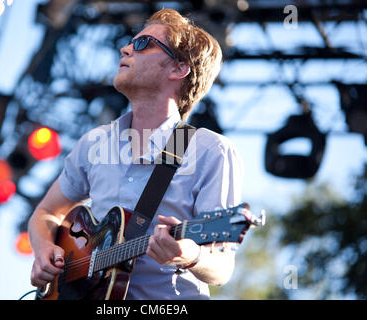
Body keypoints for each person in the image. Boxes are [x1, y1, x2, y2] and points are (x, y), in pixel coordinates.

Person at [28, 8, 244, 300]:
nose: (125, 48)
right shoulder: (94, 142)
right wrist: (43, 250)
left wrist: (190, 255)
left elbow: (222, 266)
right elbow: (46, 212)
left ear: (178, 69)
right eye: (131, 42)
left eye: (143, 44)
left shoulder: (211, 151)